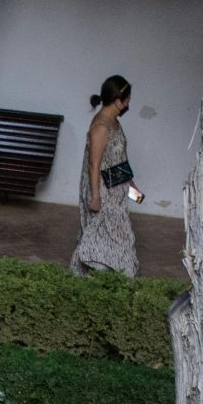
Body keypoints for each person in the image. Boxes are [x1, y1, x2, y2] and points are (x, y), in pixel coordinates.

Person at [70, 75, 140, 277]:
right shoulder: (101, 127)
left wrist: (133, 188)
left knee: (117, 236)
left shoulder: (114, 122)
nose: (128, 104)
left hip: (117, 189)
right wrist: (95, 197)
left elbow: (118, 159)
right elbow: (94, 164)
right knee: (105, 237)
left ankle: (108, 279)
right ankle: (109, 278)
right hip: (103, 193)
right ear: (118, 100)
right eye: (127, 100)